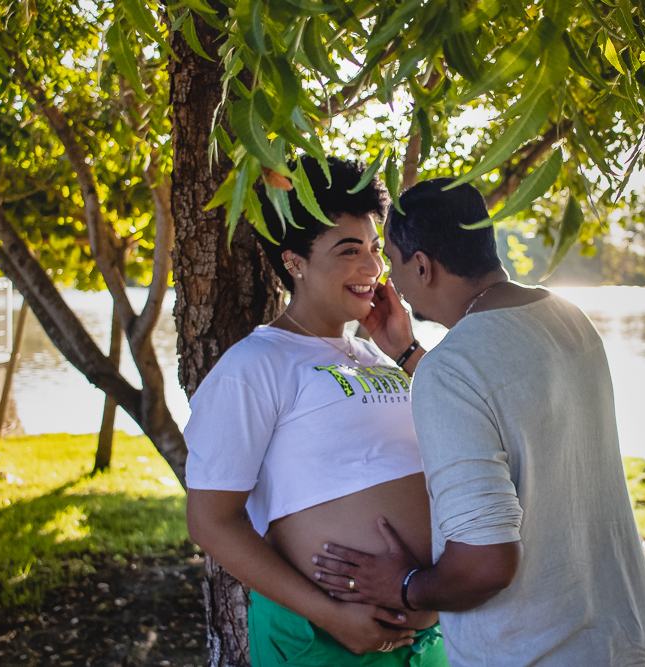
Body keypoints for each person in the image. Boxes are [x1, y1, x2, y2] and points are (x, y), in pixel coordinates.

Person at [313, 178, 645, 666]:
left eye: (392, 263)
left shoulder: (454, 369)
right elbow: (507, 400)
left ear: (422, 266)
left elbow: (486, 564)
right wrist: (410, 353)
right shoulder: (567, 318)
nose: (387, 278)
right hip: (627, 642)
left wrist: (405, 586)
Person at [183, 157, 447, 666]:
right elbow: (211, 522)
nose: (372, 268)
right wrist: (330, 616)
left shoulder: (383, 356)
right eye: (349, 251)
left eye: (374, 249)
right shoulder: (256, 364)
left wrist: (407, 351)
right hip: (324, 641)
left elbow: (473, 424)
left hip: (428, 635)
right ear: (294, 262)